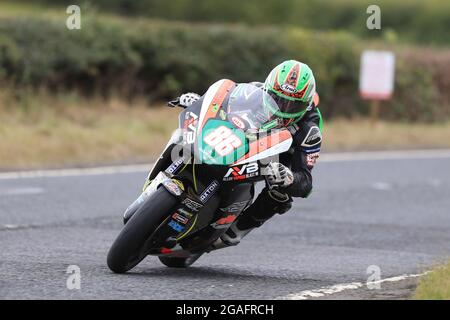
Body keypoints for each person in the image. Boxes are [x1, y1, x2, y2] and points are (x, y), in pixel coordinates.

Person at [174, 60, 323, 246]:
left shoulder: (310, 131)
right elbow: (222, 104)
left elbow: (306, 183)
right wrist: (200, 101)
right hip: (251, 135)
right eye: (277, 100)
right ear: (267, 89)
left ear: (306, 104)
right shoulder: (254, 91)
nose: (283, 109)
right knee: (187, 132)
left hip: (281, 154)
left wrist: (290, 178)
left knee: (280, 194)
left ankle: (237, 229)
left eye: (293, 106)